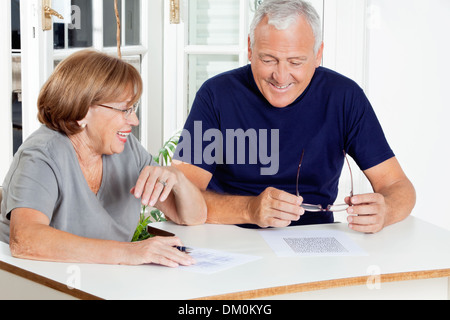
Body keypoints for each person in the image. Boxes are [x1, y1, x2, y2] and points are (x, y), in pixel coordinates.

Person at [172, 0, 416, 233]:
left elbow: (398, 186)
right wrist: (249, 209)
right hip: (228, 236)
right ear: (249, 48)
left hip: (315, 240)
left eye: (296, 62)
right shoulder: (216, 95)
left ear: (318, 54)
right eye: (268, 59)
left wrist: (386, 211)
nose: (281, 76)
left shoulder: (344, 97)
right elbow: (180, 195)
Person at [0, 50, 207, 267]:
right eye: (125, 109)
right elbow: (25, 240)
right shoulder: (41, 155)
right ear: (82, 112)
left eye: (133, 108)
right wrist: (130, 253)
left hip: (103, 284)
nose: (134, 120)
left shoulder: (128, 150)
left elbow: (193, 216)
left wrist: (178, 179)